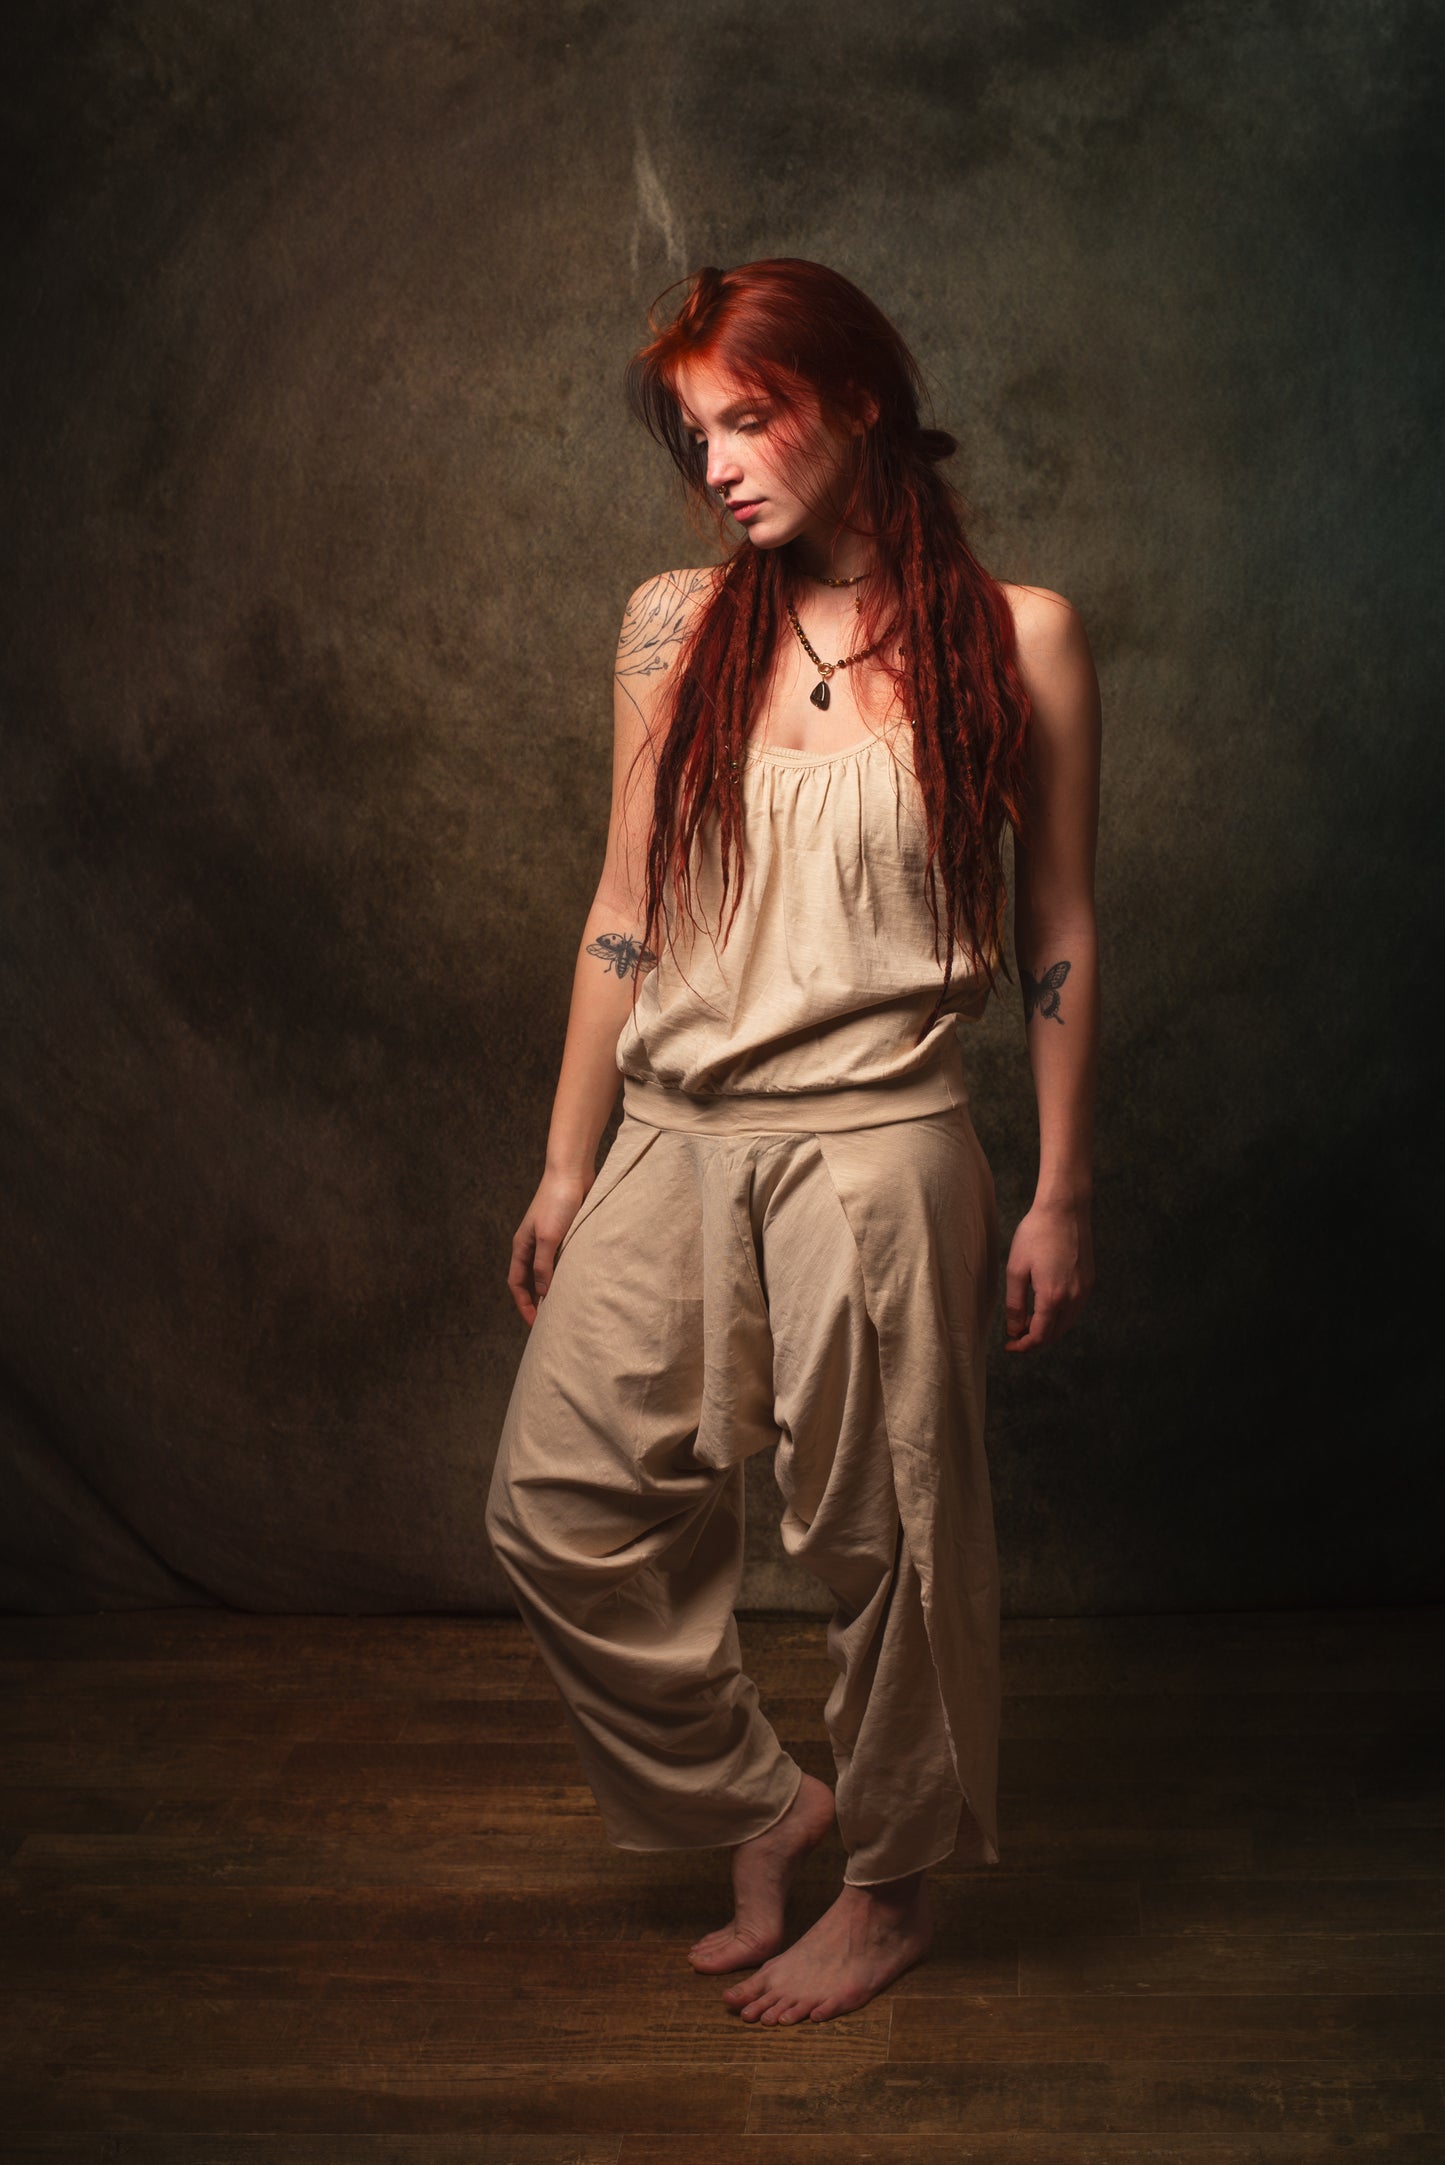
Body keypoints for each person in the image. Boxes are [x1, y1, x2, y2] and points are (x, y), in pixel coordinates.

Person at [485, 258, 1099, 2026]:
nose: (718, 466)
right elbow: (624, 902)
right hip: (672, 1128)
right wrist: (565, 1160)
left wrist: (1060, 1186)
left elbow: (1057, 922)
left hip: (880, 1141)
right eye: (696, 435)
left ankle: (890, 1888)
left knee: (885, 1535)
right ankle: (765, 1802)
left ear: (859, 397)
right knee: (555, 1503)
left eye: (749, 419)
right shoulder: (671, 624)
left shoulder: (1018, 634)